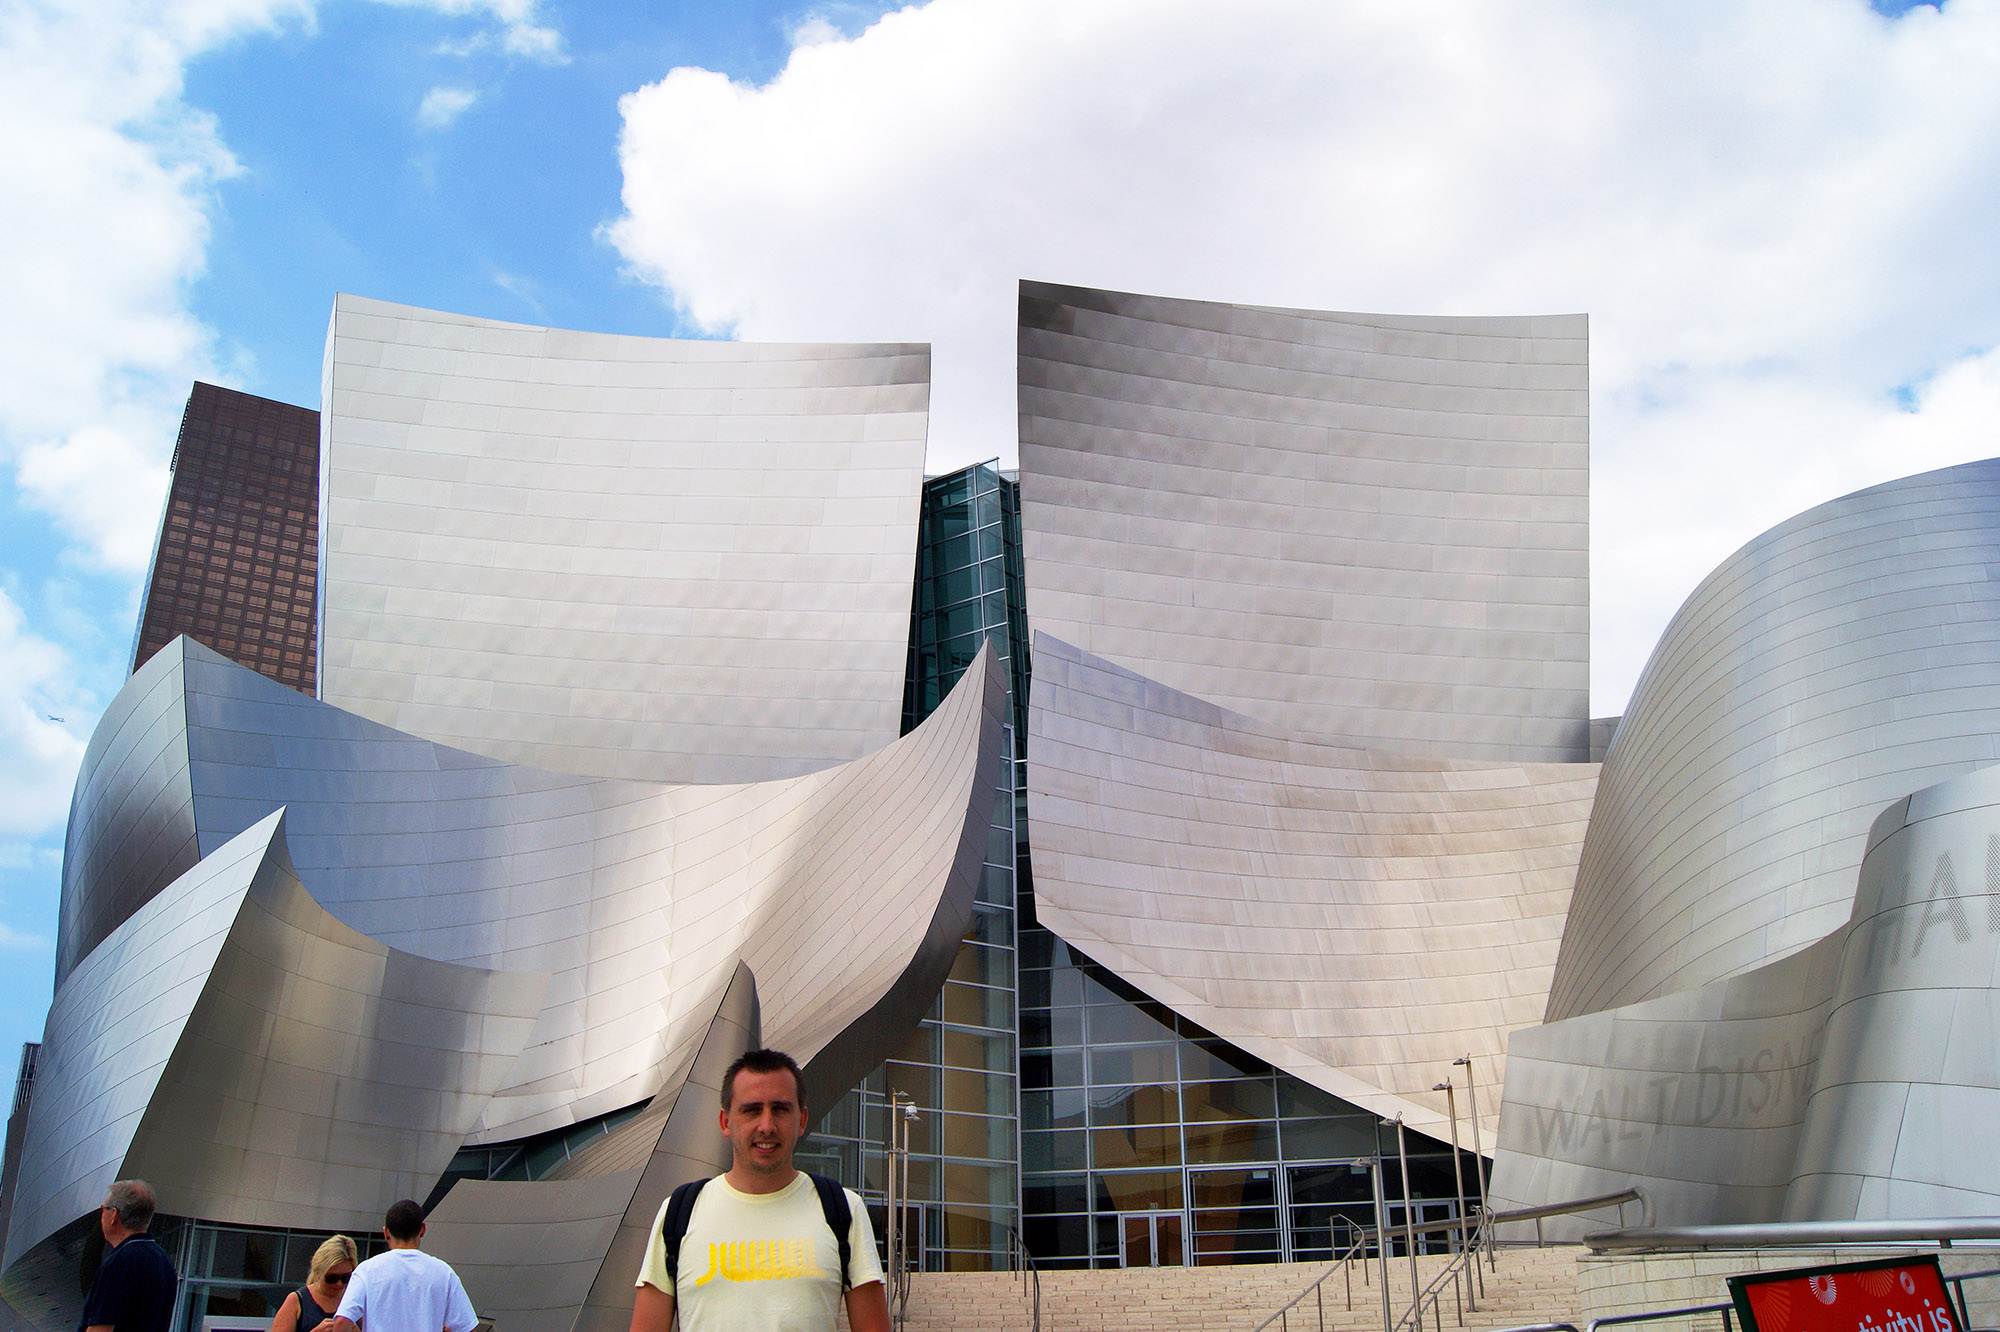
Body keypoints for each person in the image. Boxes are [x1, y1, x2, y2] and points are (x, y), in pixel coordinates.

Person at [629, 1049, 889, 1332]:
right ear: (725, 1122)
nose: (766, 1126)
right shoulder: (679, 1212)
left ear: (801, 1120)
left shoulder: (842, 1208)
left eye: (780, 1109)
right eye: (752, 1110)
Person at [323, 1201, 477, 1332]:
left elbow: (342, 1322)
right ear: (422, 1229)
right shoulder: (444, 1273)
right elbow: (468, 1326)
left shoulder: (367, 1270)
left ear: (386, 1232)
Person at [79, 1180, 177, 1332]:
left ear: (114, 1215)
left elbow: (100, 1328)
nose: (101, 1215)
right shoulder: (164, 1261)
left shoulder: (119, 1263)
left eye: (103, 1209)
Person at [268, 1235, 358, 1332]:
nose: (338, 1284)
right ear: (319, 1273)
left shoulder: (356, 1299)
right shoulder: (297, 1301)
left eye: (346, 1277)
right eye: (332, 1278)